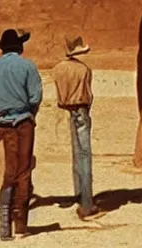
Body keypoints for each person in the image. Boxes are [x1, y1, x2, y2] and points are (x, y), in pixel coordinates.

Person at [0, 29, 42, 240]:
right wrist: (31, 114)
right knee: (23, 171)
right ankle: (21, 224)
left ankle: (4, 226)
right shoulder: (27, 66)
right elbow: (35, 97)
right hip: (23, 123)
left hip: (2, 124)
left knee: (9, 171)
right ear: (20, 47)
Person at [51, 35, 105, 220]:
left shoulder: (59, 69)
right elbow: (89, 94)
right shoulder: (84, 69)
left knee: (75, 153)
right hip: (82, 109)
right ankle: (87, 203)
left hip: (67, 109)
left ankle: (78, 193)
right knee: (85, 155)